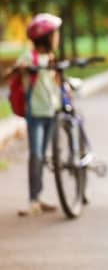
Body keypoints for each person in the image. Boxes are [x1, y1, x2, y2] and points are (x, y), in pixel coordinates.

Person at [14, 13, 62, 216]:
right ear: (46, 37)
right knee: (36, 155)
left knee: (44, 155)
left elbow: (55, 82)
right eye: (55, 35)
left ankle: (39, 196)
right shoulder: (29, 57)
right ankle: (33, 199)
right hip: (36, 112)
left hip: (52, 111)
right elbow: (15, 72)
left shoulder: (50, 58)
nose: (57, 38)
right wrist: (23, 69)